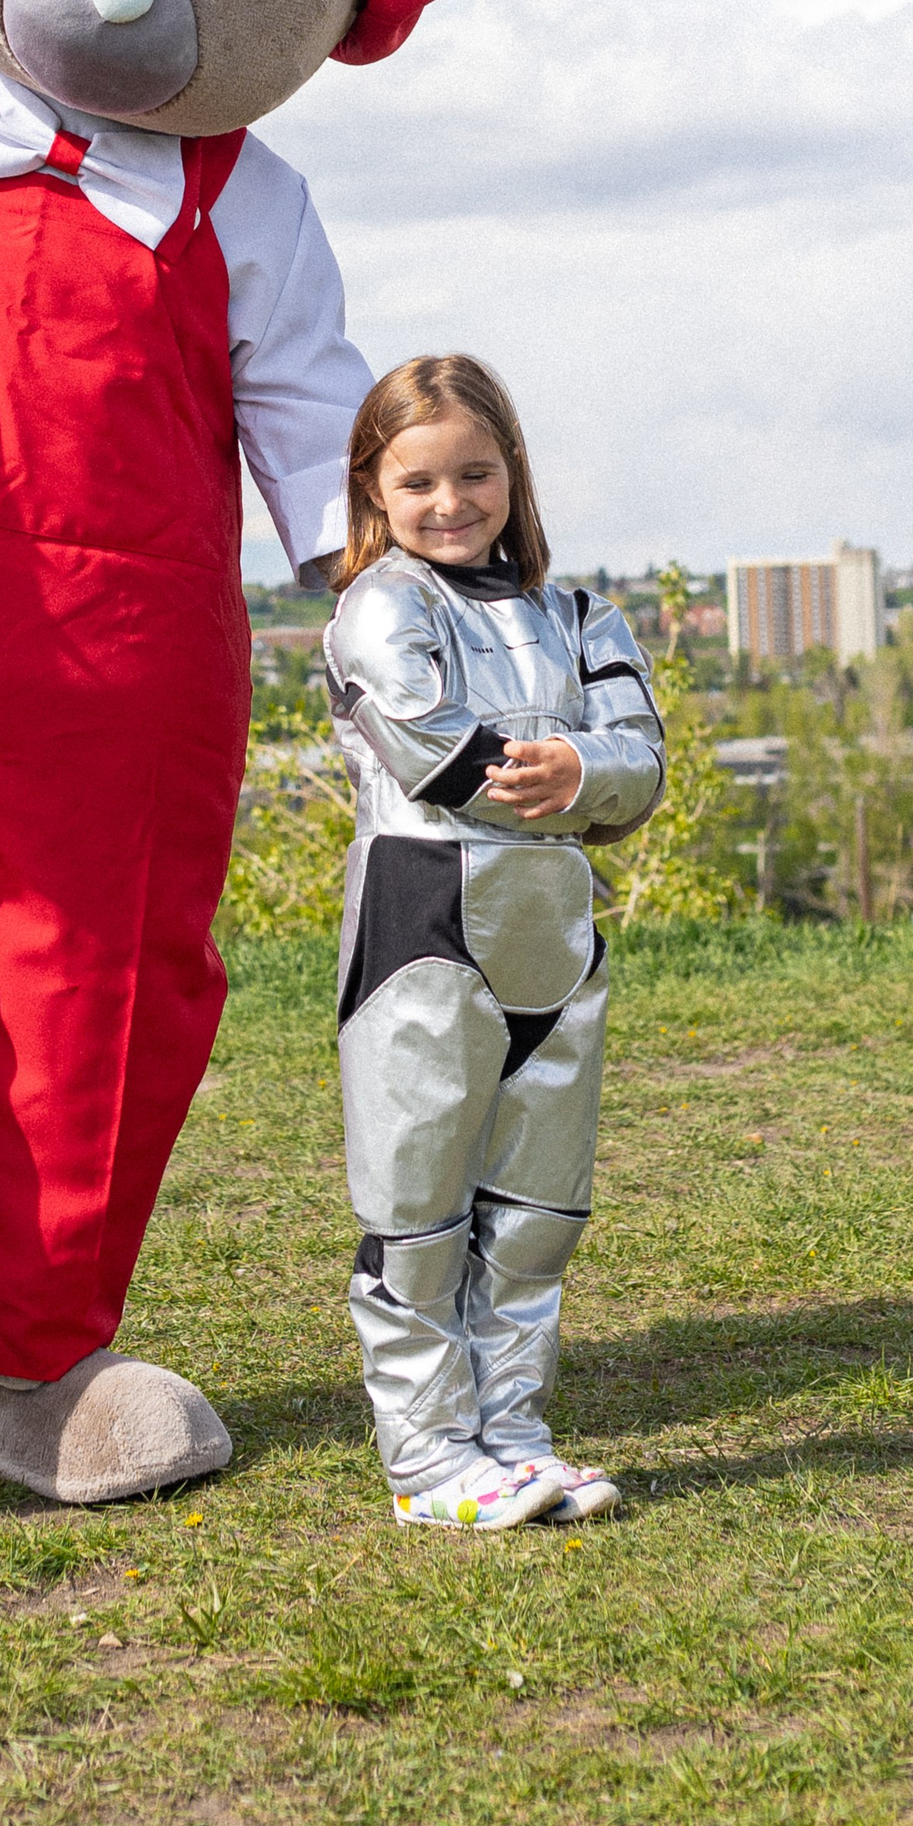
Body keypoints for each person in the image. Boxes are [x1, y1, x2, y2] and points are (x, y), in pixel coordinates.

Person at [323, 354, 664, 1530]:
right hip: (419, 928)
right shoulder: (379, 604)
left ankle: (512, 1434)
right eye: (419, 479)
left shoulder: (580, 614)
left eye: (476, 471)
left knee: (537, 1208)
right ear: (374, 487)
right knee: (417, 1206)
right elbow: (443, 756)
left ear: (514, 472)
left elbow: (640, 764)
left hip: (552, 943)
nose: (450, 500)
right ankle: (427, 1461)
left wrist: (588, 772)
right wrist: (572, 771)